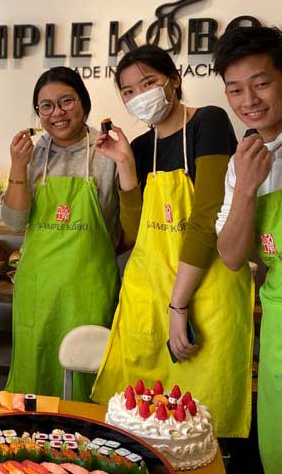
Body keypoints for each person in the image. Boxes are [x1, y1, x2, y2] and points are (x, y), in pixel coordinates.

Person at [91, 44, 253, 440]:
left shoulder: (208, 123)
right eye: (128, 90)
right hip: (151, 301)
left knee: (202, 426)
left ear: (174, 81)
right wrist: (126, 166)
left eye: (148, 82)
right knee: (146, 427)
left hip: (204, 293)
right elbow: (134, 233)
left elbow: (206, 219)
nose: (138, 95)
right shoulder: (142, 148)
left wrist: (179, 305)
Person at [2, 66, 120, 401]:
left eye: (66, 101)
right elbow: (13, 220)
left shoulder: (107, 151)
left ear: (83, 102)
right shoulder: (33, 153)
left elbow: (128, 224)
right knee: (34, 375)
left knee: (87, 375)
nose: (57, 113)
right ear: (38, 114)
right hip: (38, 288)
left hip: (90, 285)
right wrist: (17, 166)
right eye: (46, 106)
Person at [214, 26, 282, 472]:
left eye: (261, 83)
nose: (249, 100)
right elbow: (232, 256)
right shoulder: (243, 160)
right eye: (235, 90)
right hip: (276, 325)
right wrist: (245, 190)